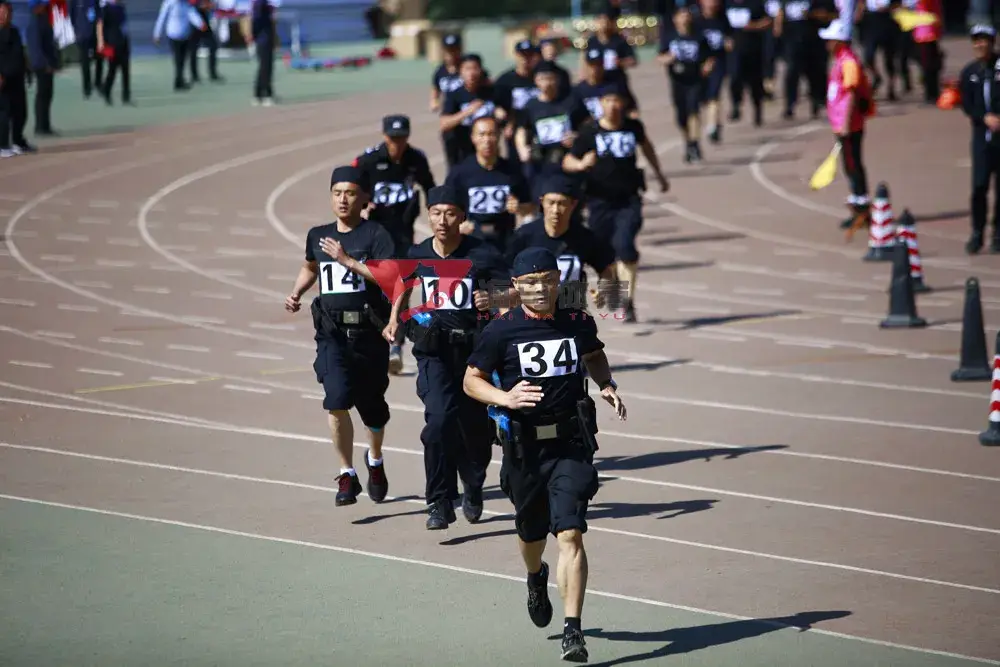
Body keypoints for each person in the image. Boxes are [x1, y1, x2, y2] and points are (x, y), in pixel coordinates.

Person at [462, 246, 627, 663]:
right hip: (525, 450)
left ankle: (574, 629)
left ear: (559, 282)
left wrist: (606, 385)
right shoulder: (500, 331)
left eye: (548, 280)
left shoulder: (577, 321)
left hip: (570, 444)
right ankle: (536, 576)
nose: (540, 288)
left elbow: (594, 355)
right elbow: (471, 381)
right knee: (531, 534)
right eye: (531, 282)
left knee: (570, 532)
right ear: (516, 286)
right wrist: (505, 397)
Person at [383, 185, 511, 529]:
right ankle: (439, 502)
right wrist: (394, 320)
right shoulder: (418, 253)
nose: (443, 220)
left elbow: (514, 290)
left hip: (474, 355)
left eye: (450, 213)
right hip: (434, 353)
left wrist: (493, 298)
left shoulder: (482, 254)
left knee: (475, 432)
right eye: (436, 213)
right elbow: (403, 284)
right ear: (428, 216)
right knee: (438, 422)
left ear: (463, 217)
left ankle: (474, 482)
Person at [284, 165, 394, 507]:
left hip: (369, 334)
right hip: (331, 334)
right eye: (337, 193)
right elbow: (310, 266)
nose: (343, 199)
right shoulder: (318, 235)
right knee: (335, 400)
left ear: (364, 198)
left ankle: (375, 460)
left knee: (373, 410)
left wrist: (348, 260)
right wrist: (297, 292)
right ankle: (347, 473)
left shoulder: (375, 235)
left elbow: (390, 277)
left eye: (349, 193)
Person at [563, 84, 669, 323]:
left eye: (617, 100)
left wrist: (659, 174)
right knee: (604, 251)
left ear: (624, 103)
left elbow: (647, 147)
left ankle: (628, 301)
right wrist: (581, 165)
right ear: (600, 104)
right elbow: (568, 161)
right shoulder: (589, 131)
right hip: (599, 201)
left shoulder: (633, 127)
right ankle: (613, 288)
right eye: (608, 100)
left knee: (626, 246)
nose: (612, 105)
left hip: (628, 199)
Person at [352, 114, 436, 373]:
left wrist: (436, 216)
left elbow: (430, 188)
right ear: (384, 136)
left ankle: (396, 346)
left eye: (401, 138)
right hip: (375, 235)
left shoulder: (416, 159)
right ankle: (371, 344)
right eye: (392, 138)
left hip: (403, 235)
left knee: (401, 288)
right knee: (374, 290)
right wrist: (363, 205)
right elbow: (349, 186)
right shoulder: (368, 160)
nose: (397, 143)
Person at [505, 174, 617, 305]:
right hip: (533, 310)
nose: (555, 210)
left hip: (570, 309)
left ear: (573, 204)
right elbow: (506, 272)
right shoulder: (524, 236)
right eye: (551, 203)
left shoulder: (585, 237)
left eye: (562, 203)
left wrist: (602, 291)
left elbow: (606, 270)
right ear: (542, 202)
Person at [445, 115, 534, 254]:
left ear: (499, 136)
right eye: (482, 135)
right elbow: (444, 208)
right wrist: (457, 227)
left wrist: (519, 208)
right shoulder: (460, 173)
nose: (487, 140)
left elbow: (530, 207)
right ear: (473, 138)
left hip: (504, 244)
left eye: (491, 134)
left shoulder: (512, 171)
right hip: (470, 243)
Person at [820, 18, 876, 231]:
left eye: (830, 39)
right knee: (849, 166)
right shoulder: (841, 60)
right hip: (842, 124)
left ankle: (862, 209)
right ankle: (858, 205)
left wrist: (845, 123)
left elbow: (852, 92)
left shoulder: (848, 62)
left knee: (853, 165)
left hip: (849, 126)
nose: (827, 43)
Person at [515, 61, 590, 201]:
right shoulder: (531, 106)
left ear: (557, 79)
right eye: (542, 79)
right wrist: (522, 149)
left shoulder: (571, 101)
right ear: (536, 81)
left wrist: (577, 136)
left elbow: (588, 125)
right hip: (542, 163)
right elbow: (522, 130)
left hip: (567, 160)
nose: (547, 83)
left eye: (550, 78)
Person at [959, 23, 1000, 254]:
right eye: (976, 41)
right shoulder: (970, 72)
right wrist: (983, 117)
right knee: (979, 186)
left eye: (984, 40)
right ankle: (977, 232)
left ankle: (998, 233)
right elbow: (967, 104)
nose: (980, 45)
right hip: (981, 138)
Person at [658, 5, 716, 162]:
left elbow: (710, 56)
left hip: (695, 80)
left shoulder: (698, 36)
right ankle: (688, 142)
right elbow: (660, 57)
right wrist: (668, 58)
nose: (684, 19)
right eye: (681, 16)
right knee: (681, 117)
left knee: (693, 111)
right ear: (675, 19)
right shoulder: (669, 37)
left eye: (687, 15)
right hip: (678, 81)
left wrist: (707, 66)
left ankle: (695, 144)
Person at [776, 0, 837, 119]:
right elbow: (781, 15)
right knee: (792, 73)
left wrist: (813, 14)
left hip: (815, 42)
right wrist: (778, 31)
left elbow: (833, 15)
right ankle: (790, 104)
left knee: (815, 74)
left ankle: (817, 102)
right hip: (793, 43)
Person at [440, 53, 500, 170]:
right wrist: (467, 112)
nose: (471, 73)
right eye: (467, 69)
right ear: (460, 71)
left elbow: (503, 112)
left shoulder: (490, 93)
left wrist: (500, 114)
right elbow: (444, 124)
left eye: (475, 68)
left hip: (486, 147)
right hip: (461, 147)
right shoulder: (454, 95)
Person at [494, 39, 541, 171]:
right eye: (522, 55)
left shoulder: (540, 76)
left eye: (529, 55)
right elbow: (498, 106)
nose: (526, 59)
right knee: (517, 167)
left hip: (539, 126)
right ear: (516, 55)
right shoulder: (505, 80)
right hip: (515, 129)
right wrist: (505, 123)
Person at [725, 0, 772, 126]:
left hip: (753, 49)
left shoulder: (754, 4)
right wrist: (726, 38)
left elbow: (768, 21)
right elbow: (721, 24)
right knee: (734, 77)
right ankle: (736, 105)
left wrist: (754, 26)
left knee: (754, 82)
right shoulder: (727, 5)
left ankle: (757, 109)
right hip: (735, 50)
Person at [695, 0, 734, 143]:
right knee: (703, 98)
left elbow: (729, 37)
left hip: (718, 62)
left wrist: (729, 43)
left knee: (714, 94)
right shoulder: (697, 21)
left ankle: (712, 127)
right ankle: (715, 122)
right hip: (699, 64)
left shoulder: (722, 20)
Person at [0, 0, 33, 157]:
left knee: (21, 112)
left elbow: (21, 53)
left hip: (17, 79)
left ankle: (18, 142)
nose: (5, 15)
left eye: (8, 12)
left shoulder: (14, 31)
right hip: (3, 80)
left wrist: (27, 70)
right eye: (2, 12)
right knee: (4, 114)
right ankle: (2, 145)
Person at [572, 47, 638, 122]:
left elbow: (631, 109)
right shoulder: (578, 90)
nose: (595, 69)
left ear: (603, 65)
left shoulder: (615, 87)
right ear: (586, 66)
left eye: (599, 65)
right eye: (592, 65)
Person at [153, 0, 205, 92]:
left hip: (185, 34)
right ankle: (178, 81)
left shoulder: (186, 3)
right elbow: (162, 18)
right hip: (173, 34)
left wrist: (200, 24)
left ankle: (179, 81)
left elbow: (192, 14)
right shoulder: (169, 3)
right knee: (178, 59)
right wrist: (157, 34)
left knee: (183, 59)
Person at [26, 0, 59, 137]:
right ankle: (40, 126)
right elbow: (36, 47)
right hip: (42, 65)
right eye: (42, 5)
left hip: (47, 64)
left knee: (47, 94)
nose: (45, 7)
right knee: (42, 95)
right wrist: (45, 65)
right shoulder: (35, 23)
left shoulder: (43, 20)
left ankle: (46, 125)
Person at [859, 0, 902, 101]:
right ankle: (876, 76)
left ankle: (891, 87)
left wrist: (890, 8)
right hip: (871, 20)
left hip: (887, 20)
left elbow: (898, 4)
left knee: (889, 59)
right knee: (868, 56)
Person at [97, 0, 132, 106]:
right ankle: (106, 91)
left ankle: (126, 96)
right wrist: (101, 42)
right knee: (112, 70)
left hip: (123, 42)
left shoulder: (121, 7)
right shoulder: (105, 9)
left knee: (126, 70)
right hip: (112, 43)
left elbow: (124, 25)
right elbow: (100, 25)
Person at [69, 0, 103, 98]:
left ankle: (98, 82)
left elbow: (99, 13)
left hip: (94, 32)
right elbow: (71, 15)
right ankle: (86, 87)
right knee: (85, 62)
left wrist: (100, 33)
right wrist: (76, 30)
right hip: (82, 34)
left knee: (99, 58)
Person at [910, 0, 942, 105]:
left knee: (928, 66)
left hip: (925, 33)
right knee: (930, 65)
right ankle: (932, 93)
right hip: (927, 31)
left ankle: (931, 95)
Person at [189, 0, 222, 84]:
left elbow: (210, 5)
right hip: (194, 23)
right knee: (193, 50)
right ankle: (194, 75)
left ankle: (213, 73)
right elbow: (190, 6)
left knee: (213, 46)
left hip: (205, 21)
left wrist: (210, 6)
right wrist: (202, 6)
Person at [250, 0, 275, 105]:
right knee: (265, 66)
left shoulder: (262, 4)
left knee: (265, 66)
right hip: (263, 38)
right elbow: (257, 21)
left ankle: (260, 93)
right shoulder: (260, 4)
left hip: (265, 37)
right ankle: (265, 94)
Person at [431, 33, 464, 113]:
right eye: (448, 50)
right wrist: (434, 100)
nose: (451, 53)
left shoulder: (467, 67)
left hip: (466, 108)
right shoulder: (440, 71)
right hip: (449, 110)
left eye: (454, 50)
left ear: (460, 50)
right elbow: (435, 88)